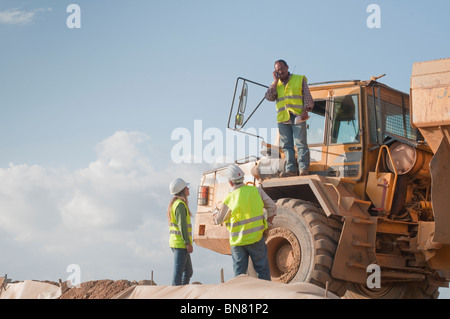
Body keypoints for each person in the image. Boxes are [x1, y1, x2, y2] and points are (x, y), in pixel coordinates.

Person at [212, 165, 276, 280]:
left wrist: (214, 212)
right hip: (256, 239)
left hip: (238, 242)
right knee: (263, 271)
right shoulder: (256, 191)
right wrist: (269, 224)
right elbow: (272, 207)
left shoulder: (230, 198)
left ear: (230, 182)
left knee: (240, 276)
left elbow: (218, 220)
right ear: (243, 178)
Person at [265, 59, 314, 177]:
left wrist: (305, 111)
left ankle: (303, 168)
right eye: (278, 70)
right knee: (287, 146)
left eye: (282, 68)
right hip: (283, 119)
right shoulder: (276, 85)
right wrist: (275, 81)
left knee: (301, 143)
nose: (280, 71)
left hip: (298, 116)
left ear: (287, 67)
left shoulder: (299, 79)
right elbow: (269, 97)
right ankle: (290, 170)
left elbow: (307, 97)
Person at [167, 178, 193, 286]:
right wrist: (187, 243)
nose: (188, 188)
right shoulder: (180, 205)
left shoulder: (177, 204)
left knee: (188, 272)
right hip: (180, 244)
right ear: (182, 190)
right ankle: (176, 295)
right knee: (178, 275)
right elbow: (182, 226)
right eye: (186, 187)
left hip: (179, 243)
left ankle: (182, 293)